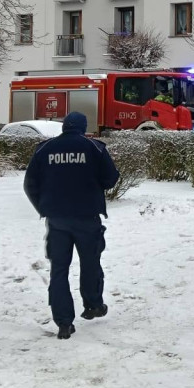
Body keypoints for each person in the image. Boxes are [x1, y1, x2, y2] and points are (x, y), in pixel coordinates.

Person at [24, 112, 120, 340]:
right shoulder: (94, 148)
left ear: (64, 127)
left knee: (59, 270)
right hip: (87, 217)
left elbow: (30, 184)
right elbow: (111, 179)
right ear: (83, 127)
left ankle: (64, 323)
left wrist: (44, 208)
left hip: (57, 219)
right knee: (91, 262)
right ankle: (93, 305)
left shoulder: (43, 149)